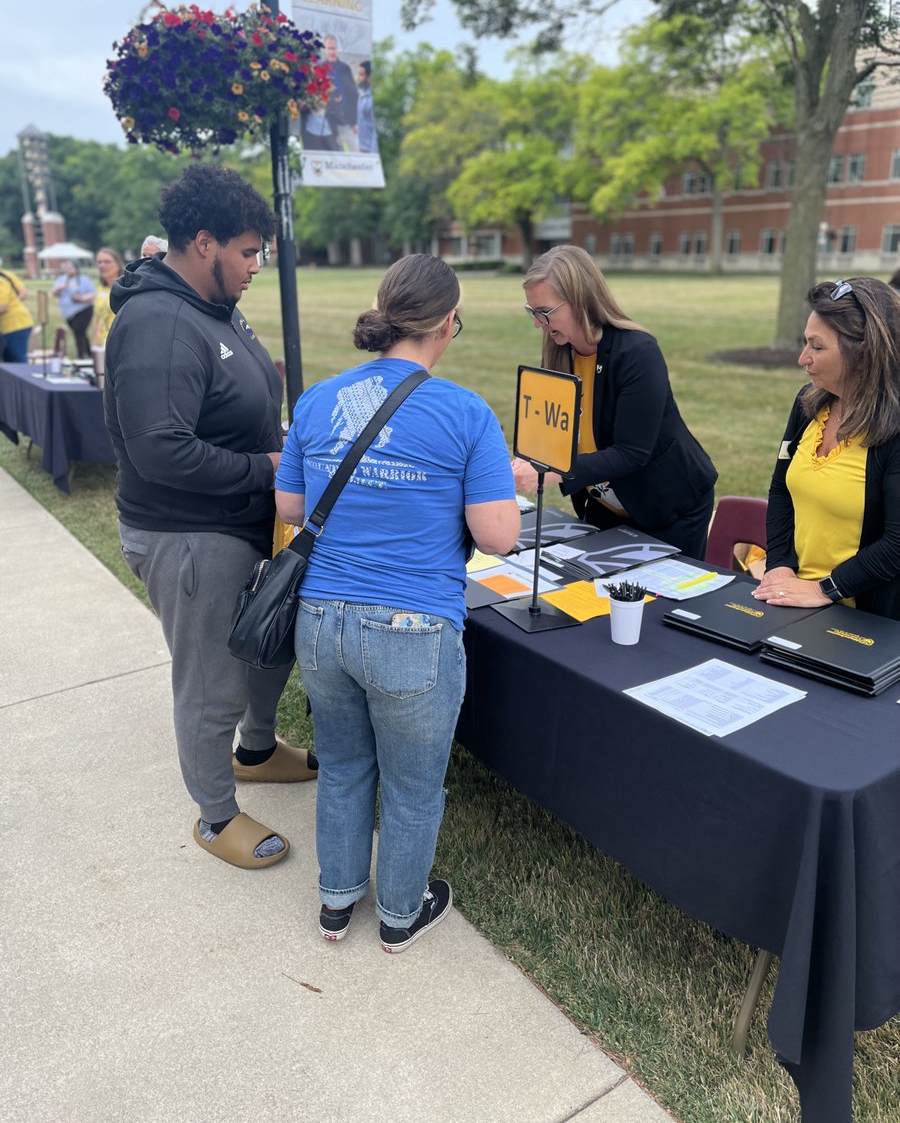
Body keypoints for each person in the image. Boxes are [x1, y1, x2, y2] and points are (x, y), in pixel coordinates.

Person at [274, 254, 519, 950]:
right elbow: (497, 536)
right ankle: (399, 914)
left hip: (320, 621)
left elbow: (290, 506)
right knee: (414, 787)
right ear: (447, 324)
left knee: (344, 766)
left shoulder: (319, 399)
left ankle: (335, 901)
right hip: (413, 627)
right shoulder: (466, 412)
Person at [104, 164, 317, 871]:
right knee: (210, 679)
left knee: (268, 642)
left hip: (241, 520)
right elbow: (160, 451)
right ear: (204, 242)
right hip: (188, 534)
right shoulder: (159, 321)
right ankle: (215, 814)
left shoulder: (211, 307)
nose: (257, 266)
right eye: (248, 251)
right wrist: (269, 469)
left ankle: (256, 751)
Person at [511, 245, 717, 557]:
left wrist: (550, 473)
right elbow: (552, 433)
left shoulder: (637, 353)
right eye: (532, 312)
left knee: (657, 604)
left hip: (669, 507)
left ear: (581, 299)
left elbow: (632, 453)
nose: (537, 323)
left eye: (545, 312)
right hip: (604, 507)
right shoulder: (558, 353)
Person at [754, 277, 900, 617]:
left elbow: (896, 546)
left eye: (817, 348)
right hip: (794, 598)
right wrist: (778, 566)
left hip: (864, 615)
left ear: (864, 353)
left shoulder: (893, 430)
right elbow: (780, 490)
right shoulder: (808, 403)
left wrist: (825, 589)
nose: (803, 358)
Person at [52, 260, 95, 359]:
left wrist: (81, 298)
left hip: (83, 310)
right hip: (68, 313)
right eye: (67, 267)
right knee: (81, 333)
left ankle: (81, 356)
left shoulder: (84, 279)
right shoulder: (62, 280)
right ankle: (89, 354)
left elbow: (92, 294)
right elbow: (53, 293)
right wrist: (59, 288)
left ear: (76, 268)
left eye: (71, 267)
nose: (69, 269)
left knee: (78, 332)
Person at [322, 33, 359, 152]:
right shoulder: (321, 68)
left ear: (337, 48)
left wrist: (355, 121)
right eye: (329, 49)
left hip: (346, 117)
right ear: (325, 49)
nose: (332, 51)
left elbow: (353, 94)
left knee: (355, 148)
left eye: (333, 48)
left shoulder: (345, 68)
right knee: (336, 151)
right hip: (330, 117)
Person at [91, 248, 125, 351]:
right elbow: (98, 319)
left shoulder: (126, 288)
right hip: (102, 344)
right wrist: (95, 344)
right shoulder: (100, 289)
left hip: (120, 344)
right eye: (99, 262)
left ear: (118, 264)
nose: (102, 265)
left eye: (107, 261)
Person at [0, 266, 34, 363]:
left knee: (18, 359)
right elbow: (23, 293)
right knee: (11, 361)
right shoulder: (7, 274)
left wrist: (12, 305)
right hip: (18, 321)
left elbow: (3, 307)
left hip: (15, 325)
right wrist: (15, 301)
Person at [356, 60, 378, 154]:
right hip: (362, 149)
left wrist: (373, 155)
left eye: (361, 75)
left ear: (369, 77)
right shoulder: (362, 94)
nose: (358, 78)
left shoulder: (372, 99)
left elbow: (375, 130)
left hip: (371, 151)